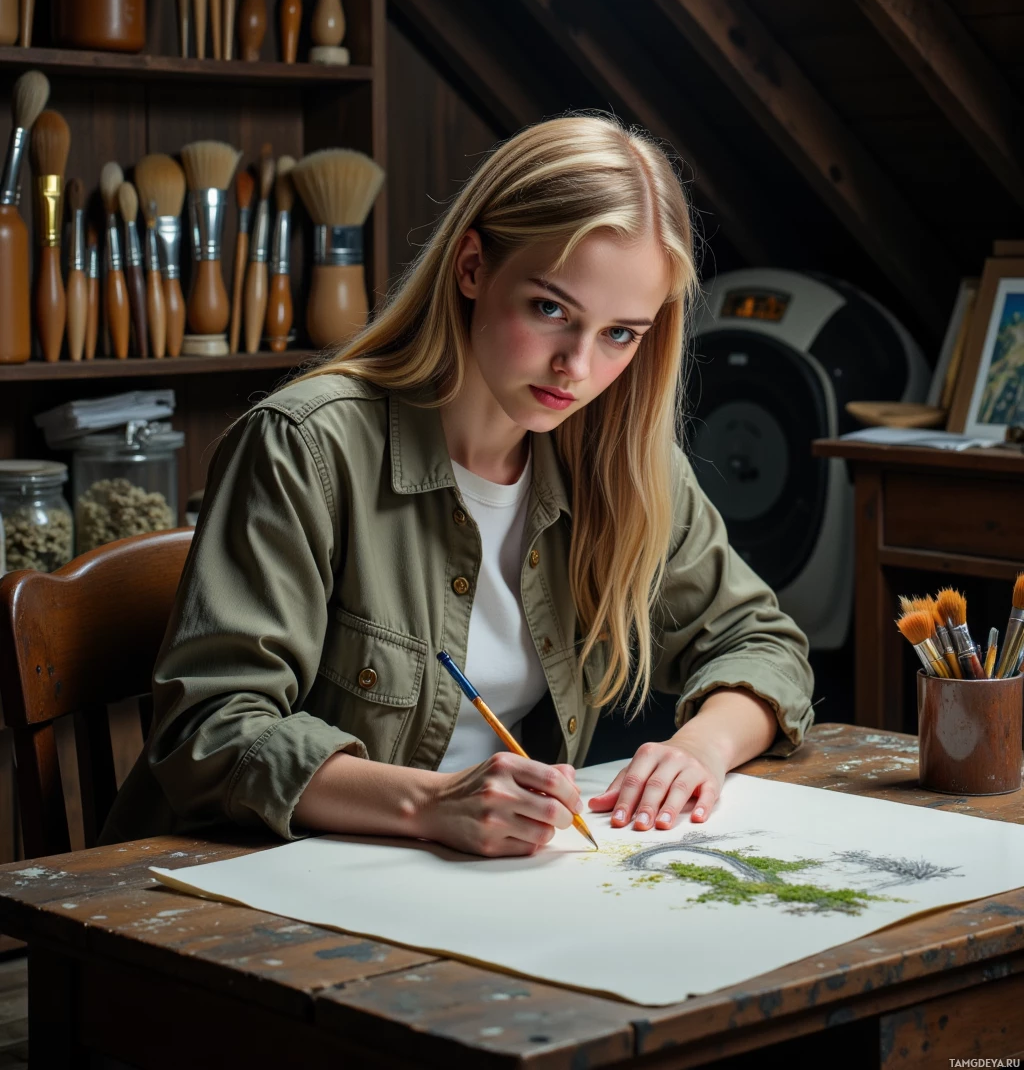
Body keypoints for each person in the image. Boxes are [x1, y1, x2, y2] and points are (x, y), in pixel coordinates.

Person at [107, 115, 813, 857]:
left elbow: (759, 641)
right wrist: (433, 803)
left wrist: (700, 747)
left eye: (619, 333)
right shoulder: (306, 446)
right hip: (232, 889)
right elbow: (210, 730)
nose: (577, 366)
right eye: (551, 310)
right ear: (472, 267)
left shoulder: (622, 462)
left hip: (459, 891)